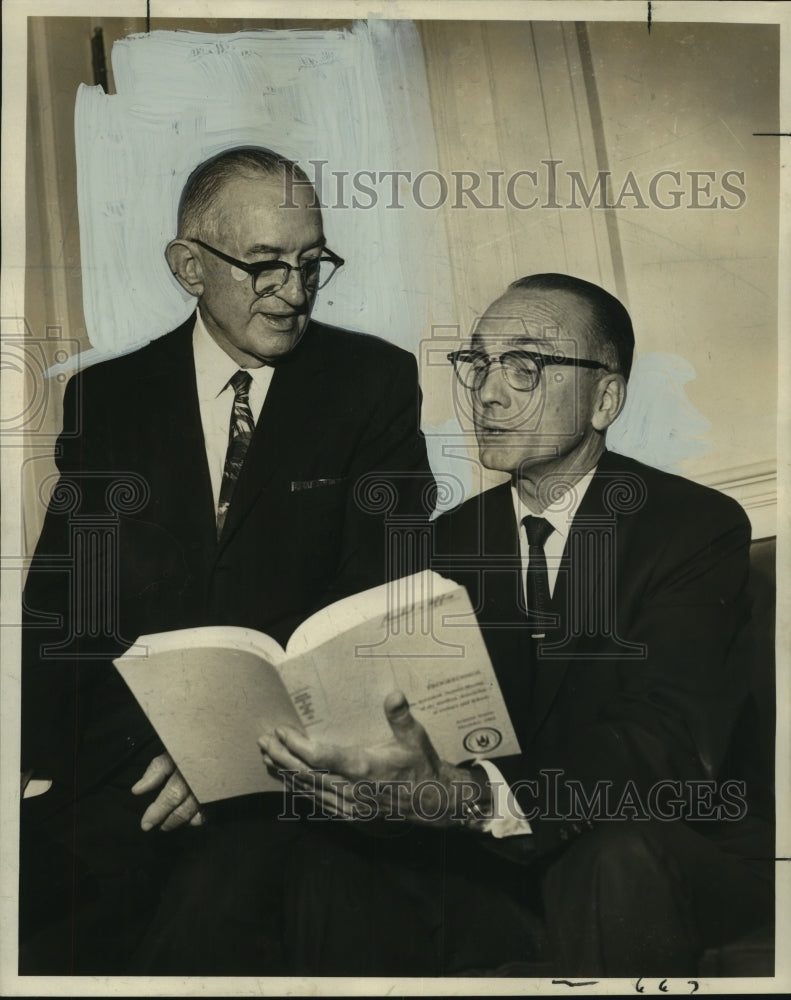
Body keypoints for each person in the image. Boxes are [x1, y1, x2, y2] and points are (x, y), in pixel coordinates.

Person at [261, 273, 774, 977]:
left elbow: (660, 740)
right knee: (327, 862)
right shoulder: (439, 546)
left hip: (665, 849)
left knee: (609, 855)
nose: (488, 394)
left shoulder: (689, 527)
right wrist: (372, 779)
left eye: (524, 366)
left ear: (605, 398)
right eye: (476, 363)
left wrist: (472, 797)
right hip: (500, 863)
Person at [19, 146, 434, 974]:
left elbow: (376, 602)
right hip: (128, 773)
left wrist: (223, 751)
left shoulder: (372, 383)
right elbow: (63, 616)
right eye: (263, 265)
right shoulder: (107, 400)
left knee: (198, 932)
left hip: (286, 777)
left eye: (312, 263)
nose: (293, 292)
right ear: (188, 266)